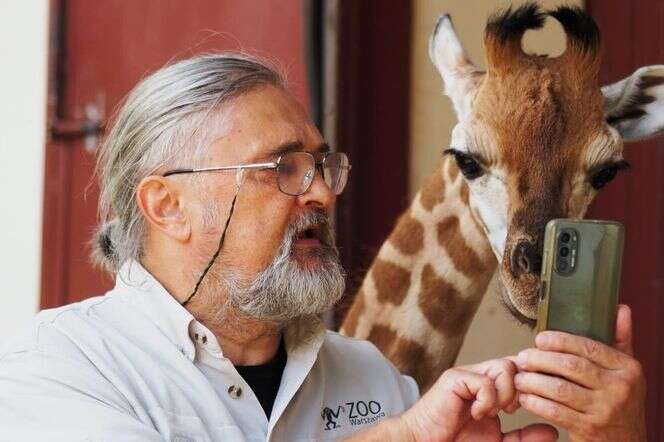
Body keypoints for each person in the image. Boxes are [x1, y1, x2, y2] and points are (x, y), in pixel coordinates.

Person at [0, 54, 645, 441]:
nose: (322, 194)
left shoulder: (368, 375)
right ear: (168, 206)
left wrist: (614, 434)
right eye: (282, 169)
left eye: (322, 165)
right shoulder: (59, 369)